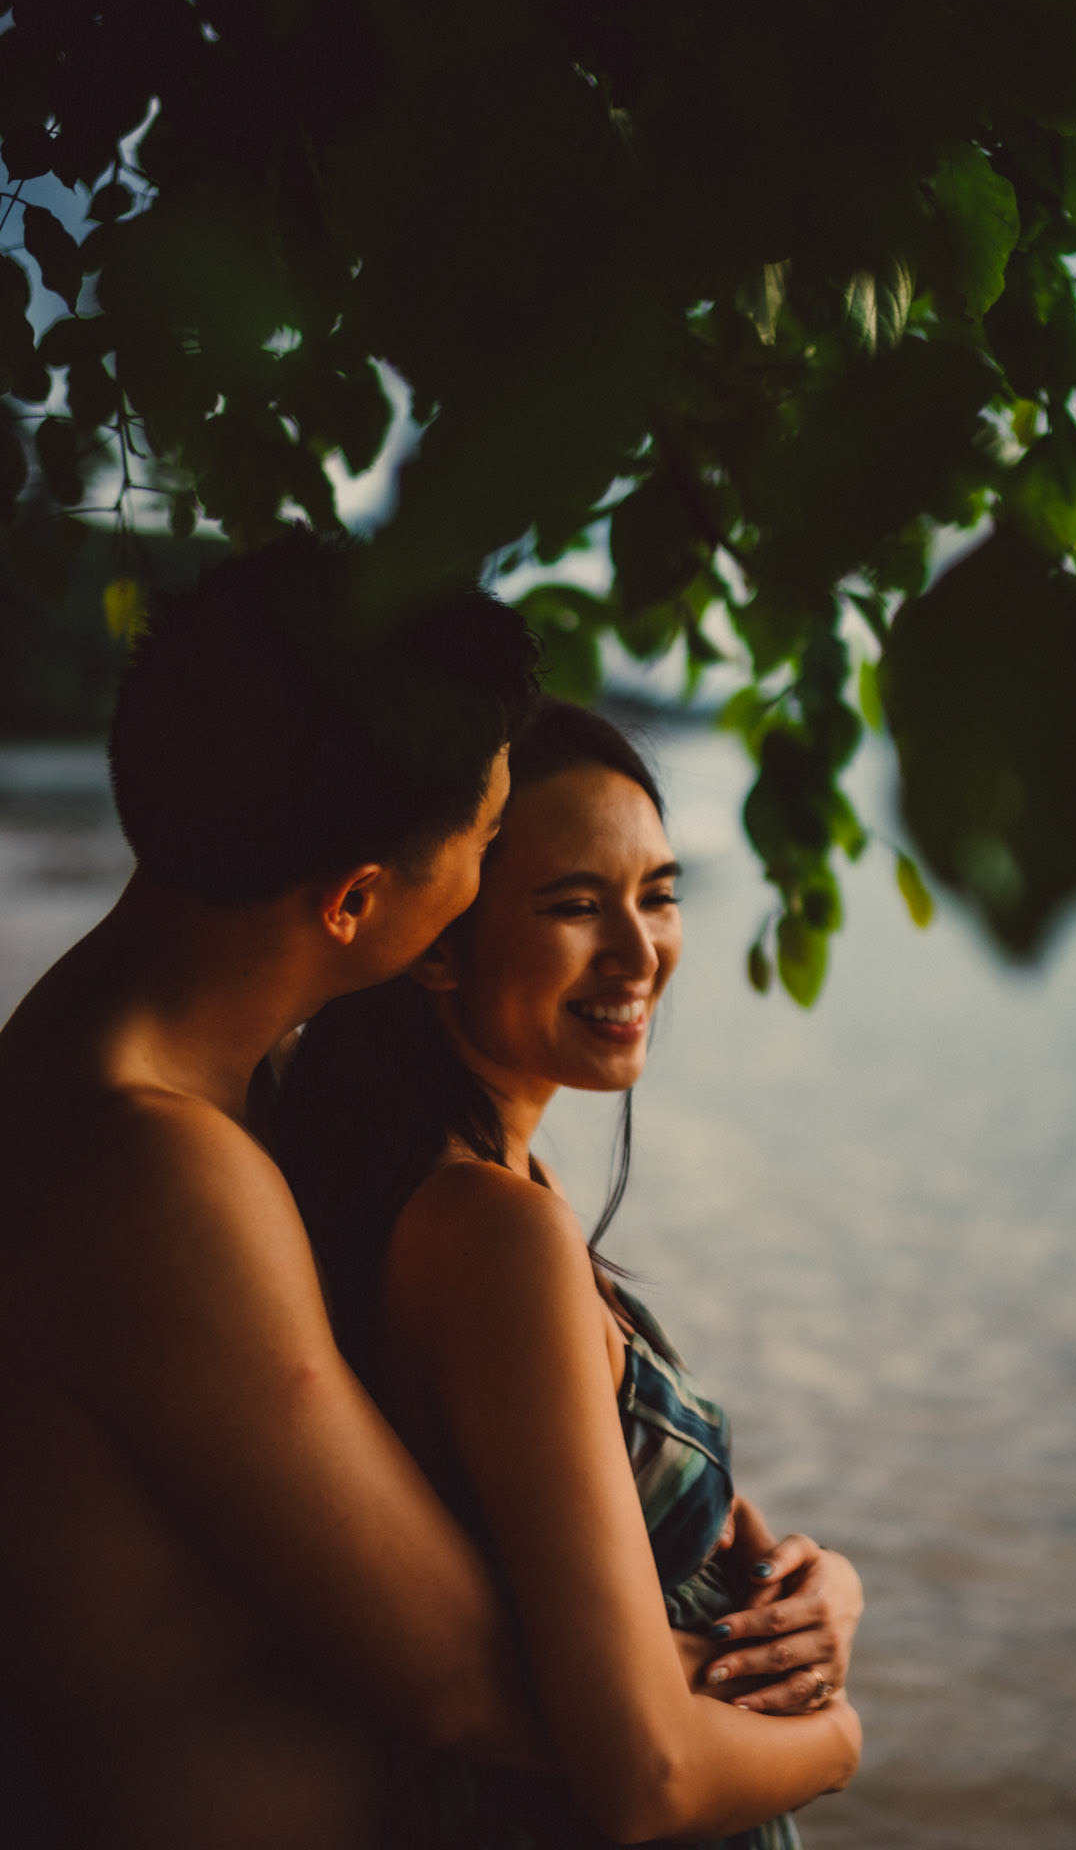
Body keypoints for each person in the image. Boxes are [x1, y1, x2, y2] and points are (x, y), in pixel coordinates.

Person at [0, 532, 548, 1849]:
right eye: (485, 841)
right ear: (357, 900)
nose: (488, 882)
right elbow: (460, 1680)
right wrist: (776, 1707)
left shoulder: (99, 1063)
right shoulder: (152, 1171)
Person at [274, 697, 864, 1848]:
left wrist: (826, 1586)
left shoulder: (481, 1189)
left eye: (658, 893)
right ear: (439, 938)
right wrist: (837, 1738)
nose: (641, 952)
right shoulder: (488, 1234)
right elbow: (643, 1778)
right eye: (576, 905)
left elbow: (648, 1532)